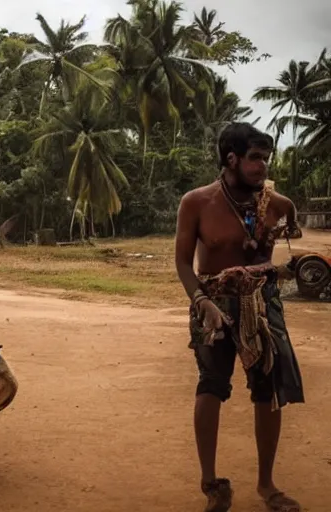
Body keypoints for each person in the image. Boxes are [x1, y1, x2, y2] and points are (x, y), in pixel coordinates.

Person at [174, 122, 304, 512]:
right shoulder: (196, 202)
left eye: (266, 158)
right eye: (254, 158)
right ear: (231, 158)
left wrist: (277, 271)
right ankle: (212, 484)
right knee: (211, 385)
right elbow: (182, 262)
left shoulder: (276, 205)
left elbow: (286, 246)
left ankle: (267, 485)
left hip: (263, 306)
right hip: (212, 304)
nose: (262, 166)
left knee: (268, 392)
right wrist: (203, 303)